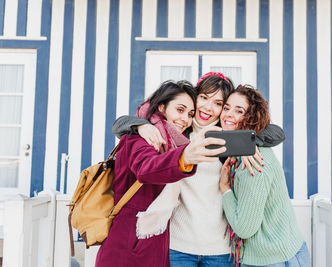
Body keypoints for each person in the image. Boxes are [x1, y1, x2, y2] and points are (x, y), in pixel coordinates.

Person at [112, 73, 286, 267]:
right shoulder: (175, 130)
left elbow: (276, 132)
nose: (208, 108)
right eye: (203, 97)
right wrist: (140, 125)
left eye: (218, 103)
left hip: (220, 249)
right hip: (178, 246)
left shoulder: (227, 137)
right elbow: (120, 123)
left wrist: (250, 142)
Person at [95, 81, 226, 267]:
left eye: (190, 114)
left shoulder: (175, 140)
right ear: (162, 107)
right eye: (179, 110)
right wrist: (185, 157)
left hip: (157, 245)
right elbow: (147, 168)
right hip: (129, 246)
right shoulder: (141, 137)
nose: (185, 119)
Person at [219, 85, 311, 267]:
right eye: (226, 107)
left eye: (239, 111)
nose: (228, 114)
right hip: (284, 252)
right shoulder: (243, 152)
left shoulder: (251, 162)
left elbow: (245, 229)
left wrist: (225, 189)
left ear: (251, 118)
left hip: (273, 259)